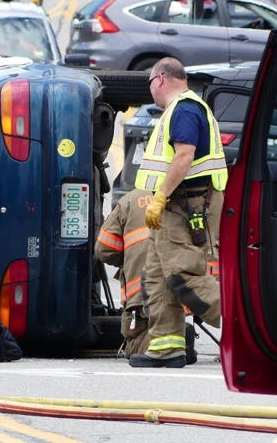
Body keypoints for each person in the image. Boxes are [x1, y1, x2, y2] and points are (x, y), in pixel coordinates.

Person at [129, 57, 227, 368]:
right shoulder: (178, 110)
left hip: (185, 203)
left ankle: (243, 324)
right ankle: (166, 346)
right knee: (157, 275)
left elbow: (184, 156)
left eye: (150, 85)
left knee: (183, 274)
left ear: (159, 79)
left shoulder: (184, 108)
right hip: (174, 205)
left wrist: (159, 198)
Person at [95, 189, 153, 358]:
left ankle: (159, 347)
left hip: (141, 288)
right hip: (182, 285)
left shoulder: (129, 200)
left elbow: (104, 249)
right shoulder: (186, 197)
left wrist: (128, 260)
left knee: (136, 338)